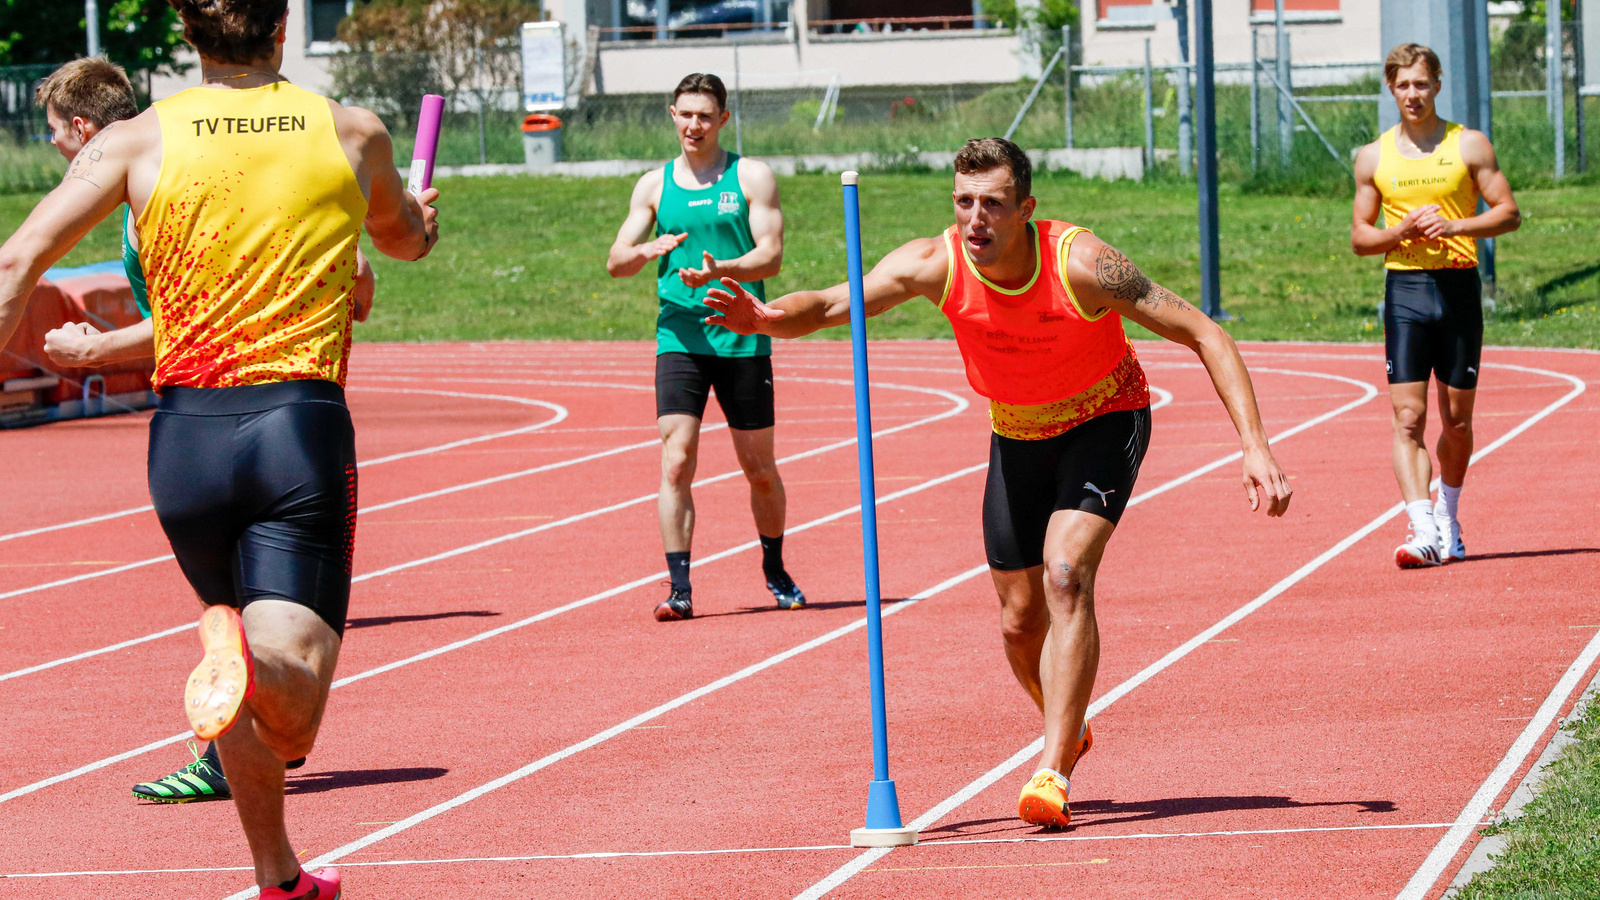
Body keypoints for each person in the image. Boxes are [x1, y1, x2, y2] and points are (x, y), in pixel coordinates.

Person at [704, 138, 1291, 828]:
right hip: (1016, 433)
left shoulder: (1083, 264)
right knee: (1018, 622)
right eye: (963, 202)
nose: (975, 219)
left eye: (992, 204)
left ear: (1026, 210)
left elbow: (1204, 333)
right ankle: (1066, 721)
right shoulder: (936, 262)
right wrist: (771, 320)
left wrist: (1254, 446)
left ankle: (1052, 770)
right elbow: (834, 304)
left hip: (1104, 417)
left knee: (1067, 574)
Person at [0, 1, 438, 896]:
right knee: (293, 698)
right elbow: (403, 243)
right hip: (295, 428)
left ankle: (278, 872)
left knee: (235, 665)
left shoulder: (133, 142)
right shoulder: (351, 131)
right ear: (281, 31)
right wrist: (418, 220)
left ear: (192, 39)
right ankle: (258, 661)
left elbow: (15, 265)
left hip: (183, 442)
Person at [32, 56, 374, 805]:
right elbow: (357, 275)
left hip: (201, 423)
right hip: (288, 419)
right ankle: (237, 765)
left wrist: (96, 350)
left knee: (242, 624)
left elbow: (194, 321)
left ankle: (247, 780)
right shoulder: (198, 162)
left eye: (58, 137)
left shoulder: (149, 175)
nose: (60, 153)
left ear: (84, 130)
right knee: (260, 636)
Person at [606, 72, 805, 621]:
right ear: (672, 114)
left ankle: (774, 567)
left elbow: (772, 256)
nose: (694, 125)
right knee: (676, 461)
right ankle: (680, 588)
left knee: (759, 468)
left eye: (704, 116)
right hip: (680, 336)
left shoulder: (751, 177)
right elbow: (615, 261)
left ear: (722, 120)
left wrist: (726, 268)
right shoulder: (653, 185)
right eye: (685, 114)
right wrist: (650, 249)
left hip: (742, 336)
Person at [1351, 43, 1520, 569]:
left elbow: (1509, 213)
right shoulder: (1374, 155)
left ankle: (1448, 513)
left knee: (1457, 421)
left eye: (1421, 84)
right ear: (1390, 89)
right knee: (1407, 417)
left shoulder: (1468, 145)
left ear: (1437, 85)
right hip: (1405, 292)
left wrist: (1456, 225)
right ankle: (1421, 525)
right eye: (1403, 85)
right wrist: (1397, 231)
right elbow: (1359, 237)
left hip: (1457, 290)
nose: (1412, 94)